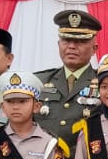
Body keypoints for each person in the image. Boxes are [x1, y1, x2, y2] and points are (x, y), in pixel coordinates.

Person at [34, 9, 101, 144]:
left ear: (94, 49)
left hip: (84, 156)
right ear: (58, 45)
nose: (71, 47)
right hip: (44, 155)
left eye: (80, 41)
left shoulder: (104, 82)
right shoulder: (39, 81)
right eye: (66, 40)